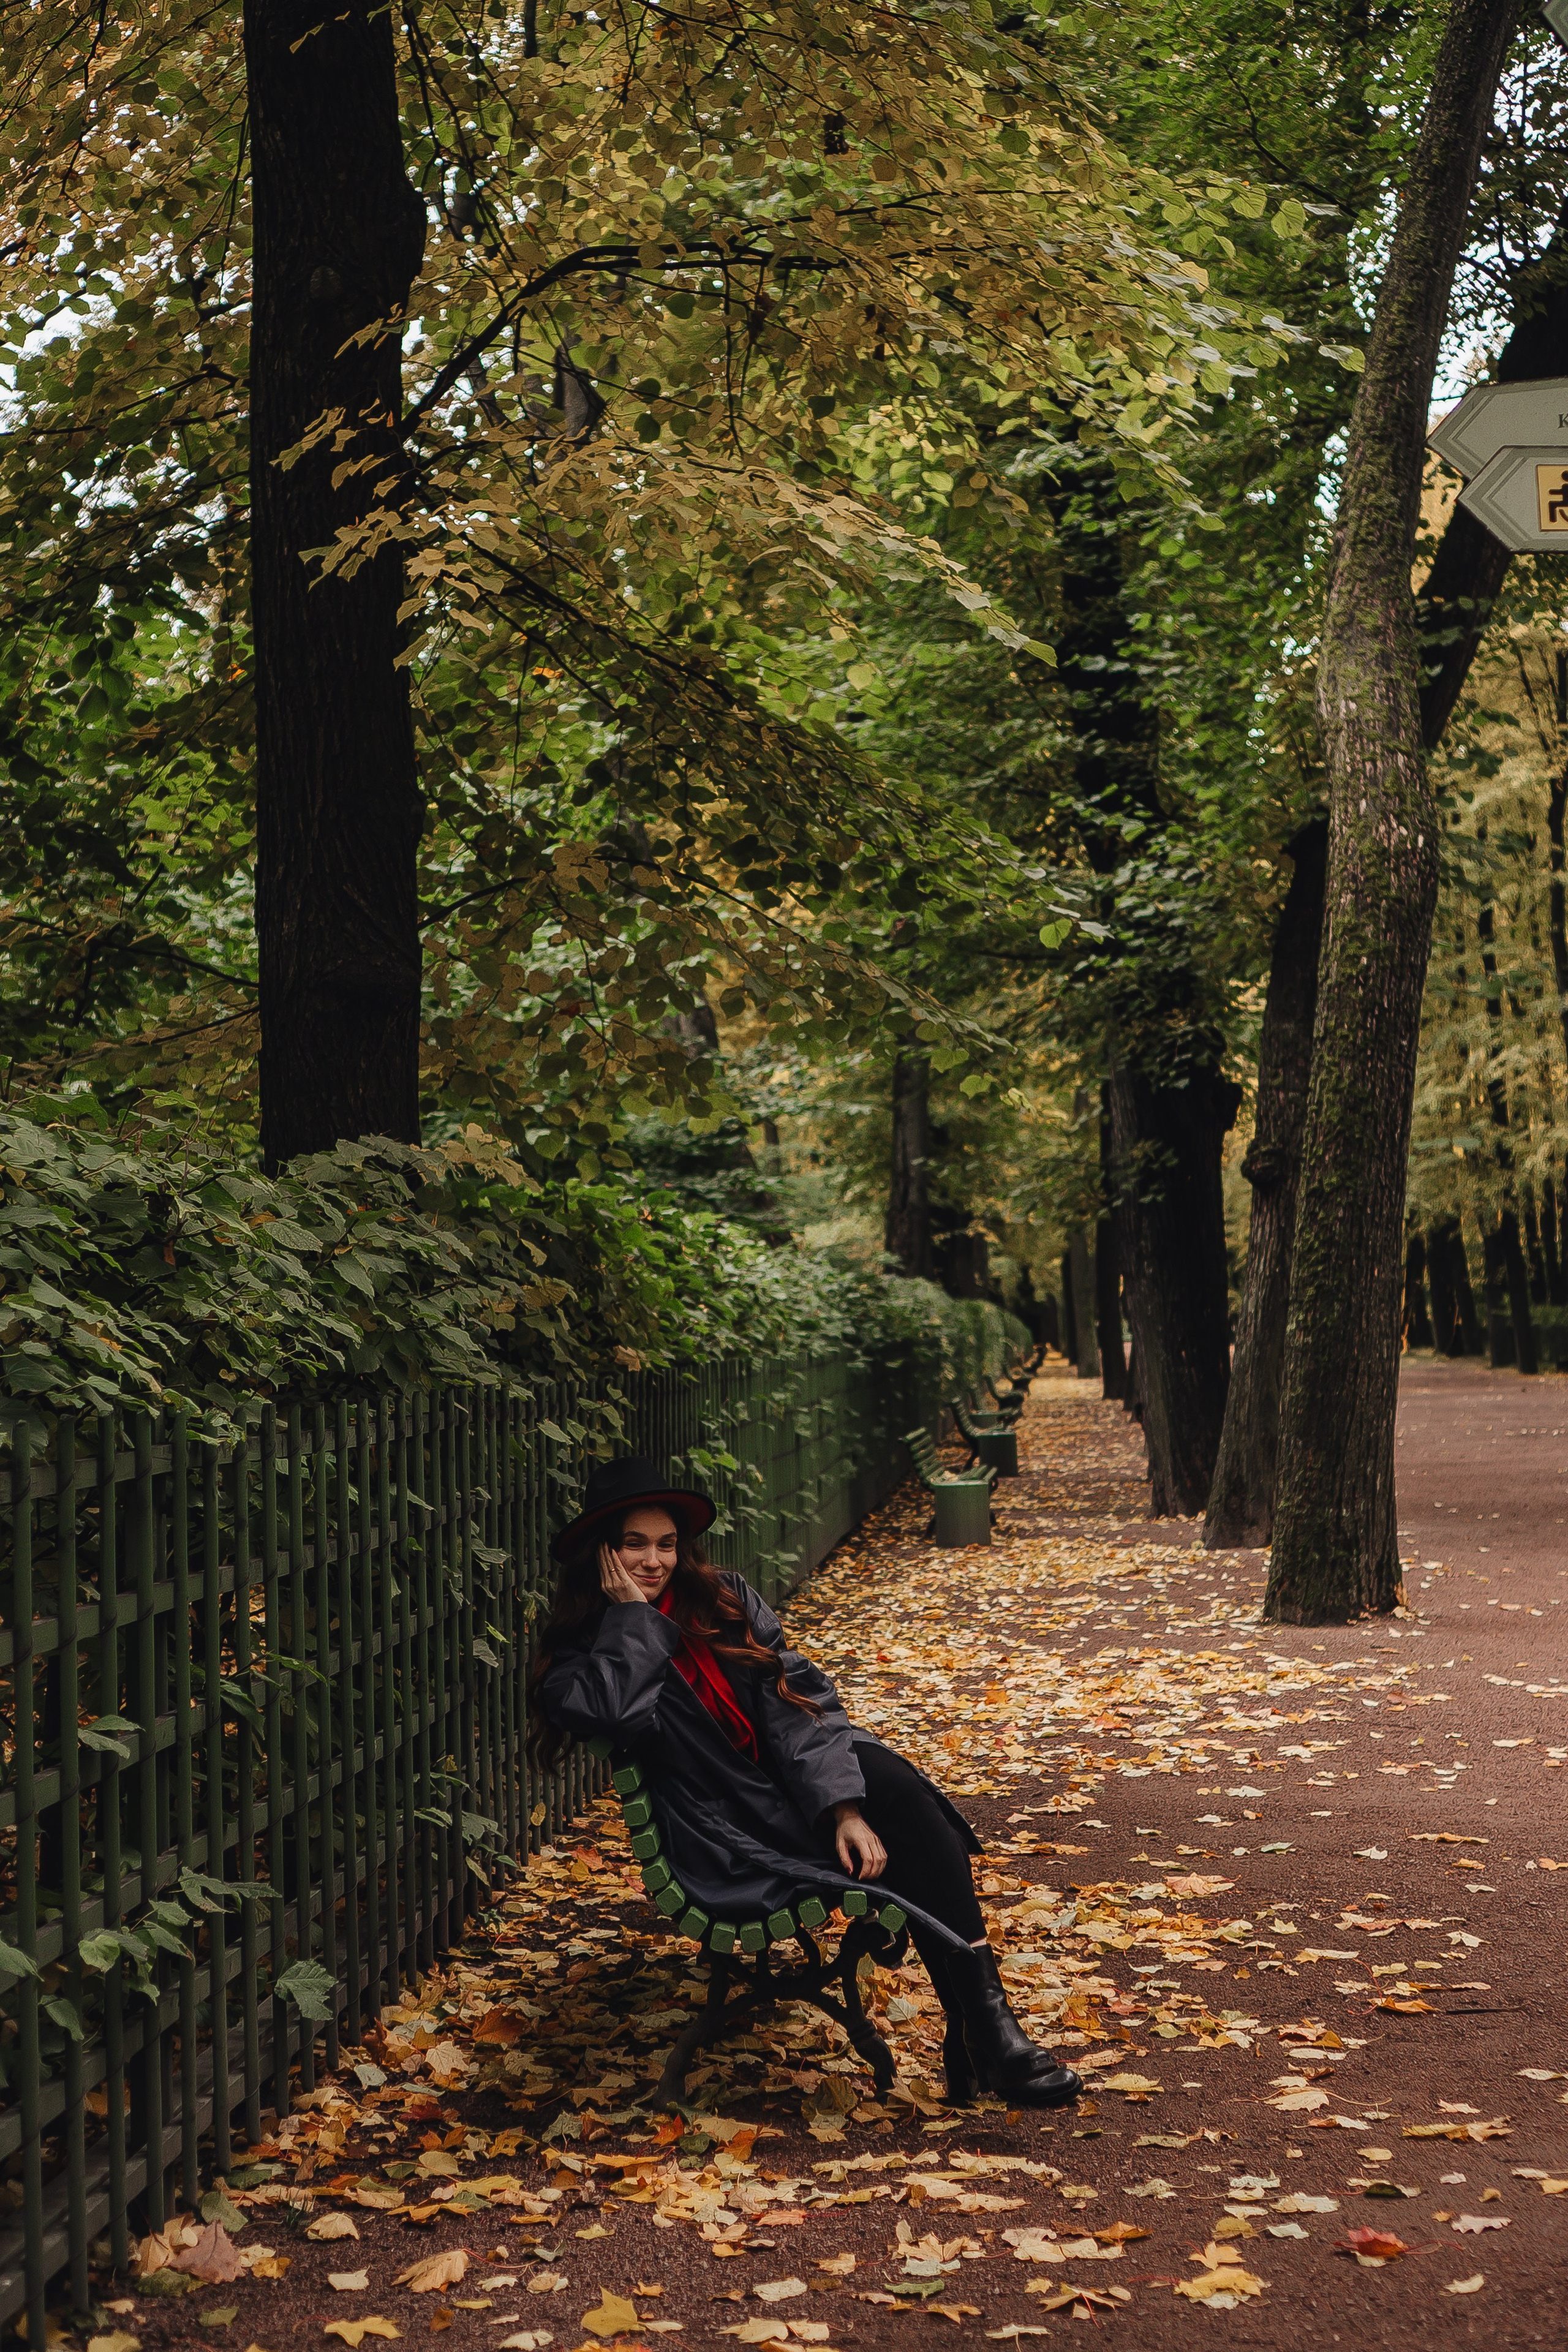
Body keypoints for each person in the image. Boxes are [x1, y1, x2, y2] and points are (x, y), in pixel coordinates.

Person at [533, 1455, 1081, 2108]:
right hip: (734, 1821)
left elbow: (800, 1704)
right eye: (634, 1546)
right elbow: (613, 1711)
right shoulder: (584, 1652)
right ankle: (982, 2034)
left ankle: (989, 2028)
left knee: (897, 1794)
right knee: (910, 1830)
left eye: (667, 1545)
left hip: (799, 1786)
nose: (653, 1562)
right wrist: (632, 1619)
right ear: (601, 1554)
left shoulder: (724, 1599)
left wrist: (843, 1809)